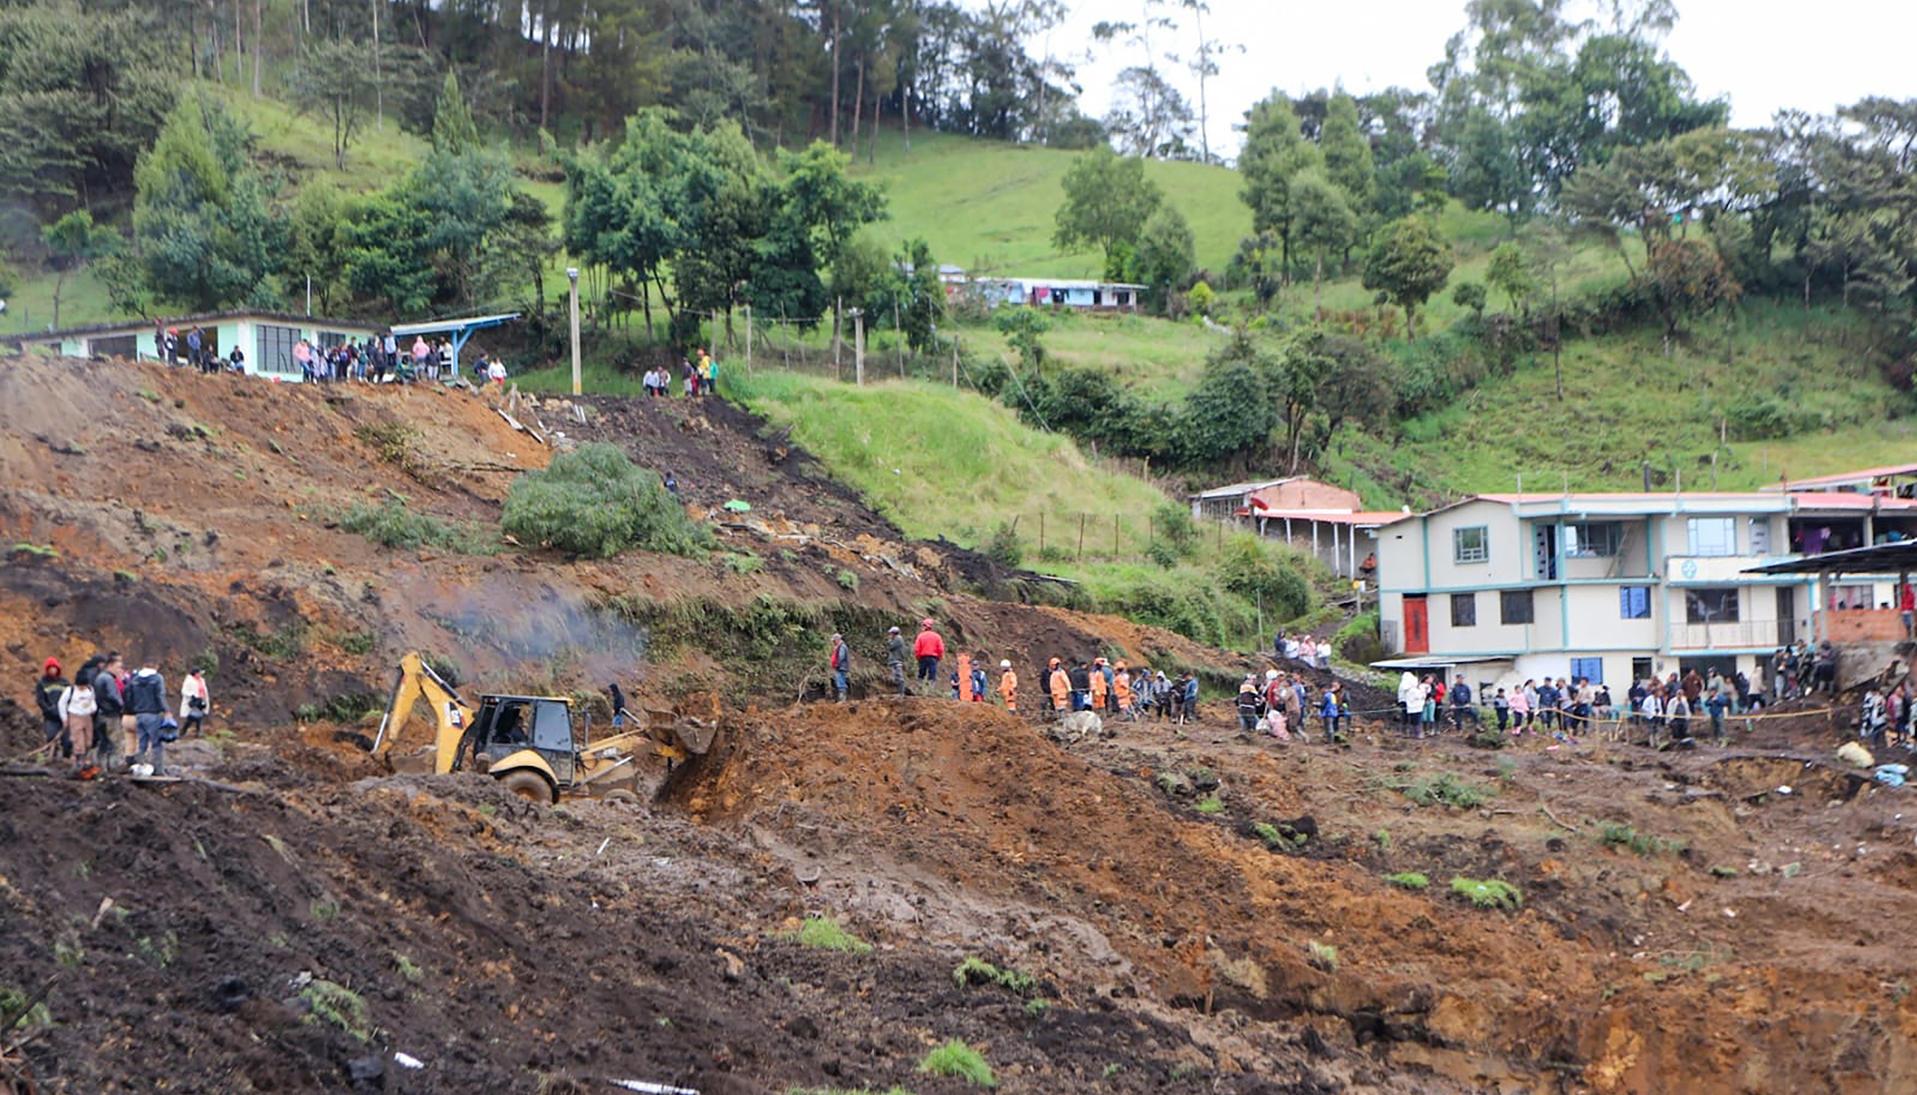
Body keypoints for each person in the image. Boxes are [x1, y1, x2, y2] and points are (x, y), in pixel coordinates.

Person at [126, 658, 170, 775]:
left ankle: (140, 768)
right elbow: (160, 695)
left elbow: (129, 696)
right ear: (155, 665)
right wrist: (166, 710)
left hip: (139, 714)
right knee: (156, 743)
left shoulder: (135, 678)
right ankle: (158, 770)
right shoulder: (157, 678)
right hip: (153, 714)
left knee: (142, 743)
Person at [58, 660, 97, 778]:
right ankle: (78, 762)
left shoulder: (90, 690)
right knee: (78, 740)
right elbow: (61, 704)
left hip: (87, 716)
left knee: (88, 740)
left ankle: (87, 761)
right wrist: (64, 718)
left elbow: (93, 701)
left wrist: (92, 708)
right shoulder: (70, 691)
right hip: (75, 716)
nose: (82, 688)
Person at [92, 652, 126, 771]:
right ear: (110, 665)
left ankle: (101, 767)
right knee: (114, 743)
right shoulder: (108, 679)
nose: (119, 670)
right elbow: (113, 696)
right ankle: (113, 767)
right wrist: (122, 707)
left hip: (100, 714)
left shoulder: (99, 678)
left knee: (103, 743)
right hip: (110, 715)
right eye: (118, 667)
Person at [35, 658, 70, 759]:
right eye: (50, 668)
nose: (53, 670)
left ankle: (66, 759)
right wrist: (49, 710)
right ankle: (51, 758)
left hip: (64, 716)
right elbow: (41, 700)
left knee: (67, 741)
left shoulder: (64, 682)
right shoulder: (42, 683)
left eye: (54, 668)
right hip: (51, 717)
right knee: (51, 737)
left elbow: (70, 697)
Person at [912, 618, 944, 693]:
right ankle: (930, 690)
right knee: (932, 674)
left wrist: (918, 657)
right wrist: (939, 657)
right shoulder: (937, 636)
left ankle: (919, 689)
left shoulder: (920, 636)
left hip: (922, 657)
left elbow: (917, 648)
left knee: (921, 673)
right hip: (933, 658)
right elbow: (941, 649)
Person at [180, 668, 210, 736]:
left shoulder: (202, 680)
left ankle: (198, 731)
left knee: (200, 716)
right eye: (199, 673)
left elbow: (204, 691)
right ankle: (183, 731)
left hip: (201, 701)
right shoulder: (189, 681)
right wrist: (192, 695)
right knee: (191, 717)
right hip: (193, 702)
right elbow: (184, 691)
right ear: (195, 674)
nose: (200, 675)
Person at [827, 632, 851, 701]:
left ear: (837, 640)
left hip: (841, 667)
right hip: (841, 667)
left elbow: (841, 656)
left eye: (834, 641)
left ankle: (842, 699)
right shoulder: (840, 646)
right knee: (840, 681)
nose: (833, 642)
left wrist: (837, 664)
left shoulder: (842, 646)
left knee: (841, 682)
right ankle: (841, 699)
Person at [885, 626, 908, 697]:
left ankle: (901, 693)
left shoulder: (898, 639)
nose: (890, 635)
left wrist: (889, 641)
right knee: (896, 677)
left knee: (899, 676)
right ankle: (899, 693)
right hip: (895, 660)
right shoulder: (897, 639)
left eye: (891, 634)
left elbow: (890, 647)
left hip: (897, 660)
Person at [1397, 671, 1422, 735]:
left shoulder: (1404, 683)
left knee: (1409, 717)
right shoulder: (1405, 684)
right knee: (1406, 717)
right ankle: (1406, 732)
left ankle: (1409, 732)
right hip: (1406, 701)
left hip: (1410, 702)